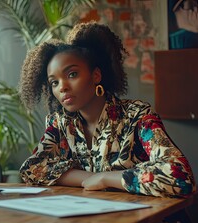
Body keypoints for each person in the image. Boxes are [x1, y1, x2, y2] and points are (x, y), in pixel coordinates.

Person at [18, 21, 196, 198]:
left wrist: (106, 178)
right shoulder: (60, 123)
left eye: (72, 74)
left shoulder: (137, 115)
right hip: (90, 219)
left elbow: (179, 176)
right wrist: (90, 178)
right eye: (54, 82)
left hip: (149, 220)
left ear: (96, 76)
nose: (62, 87)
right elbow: (32, 169)